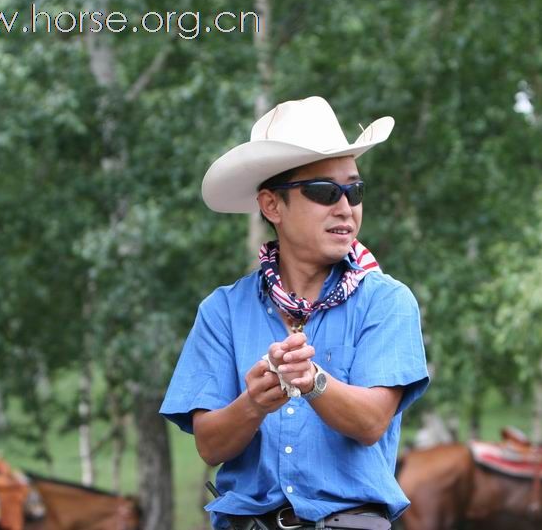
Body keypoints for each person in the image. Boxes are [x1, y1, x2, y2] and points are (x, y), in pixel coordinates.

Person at [160, 96, 429, 530]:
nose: (345, 207)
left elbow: (372, 421)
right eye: (324, 191)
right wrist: (252, 404)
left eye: (354, 190)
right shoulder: (222, 310)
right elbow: (210, 446)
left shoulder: (388, 301)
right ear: (271, 206)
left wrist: (313, 382)